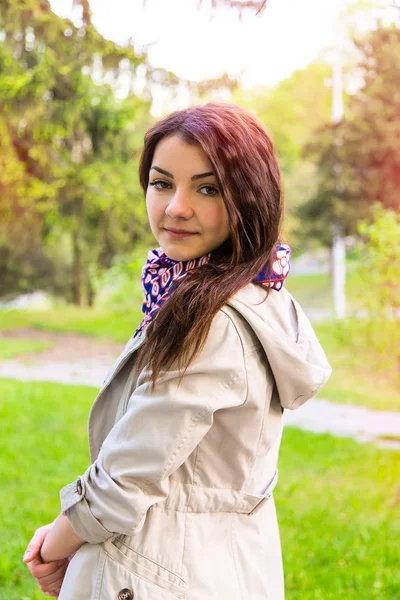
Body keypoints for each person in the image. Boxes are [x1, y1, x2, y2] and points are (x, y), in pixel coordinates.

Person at [23, 102, 332, 599]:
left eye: (207, 188)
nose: (175, 207)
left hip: (159, 572)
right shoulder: (253, 293)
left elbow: (124, 478)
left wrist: (55, 544)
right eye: (162, 182)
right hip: (225, 564)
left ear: (249, 198)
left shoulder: (208, 319)